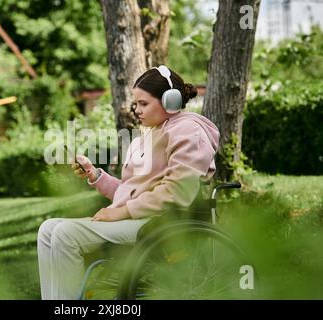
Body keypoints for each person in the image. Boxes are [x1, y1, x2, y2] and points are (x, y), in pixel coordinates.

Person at [37, 65, 220, 300]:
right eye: (136, 104)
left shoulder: (188, 131)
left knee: (65, 233)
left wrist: (121, 212)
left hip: (159, 223)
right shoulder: (148, 136)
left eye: (144, 103)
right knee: (47, 230)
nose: (137, 110)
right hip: (138, 218)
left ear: (170, 101)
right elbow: (130, 191)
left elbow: (177, 191)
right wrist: (95, 175)